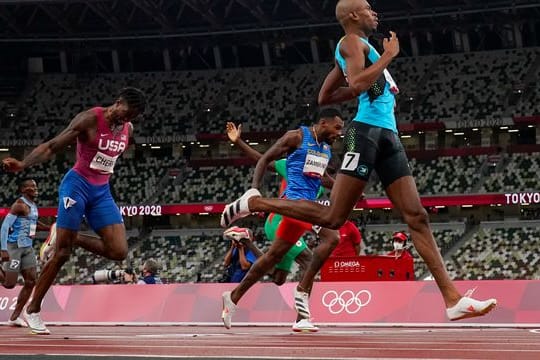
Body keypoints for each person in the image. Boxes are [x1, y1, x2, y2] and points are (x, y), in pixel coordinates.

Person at [221, 0, 497, 322]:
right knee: (334, 219)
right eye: (368, 8)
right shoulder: (350, 42)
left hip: (388, 136)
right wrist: (390, 55)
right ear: (353, 16)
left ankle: (453, 299)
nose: (374, 12)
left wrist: (358, 78)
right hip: (364, 132)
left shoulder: (355, 48)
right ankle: (256, 204)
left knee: (417, 216)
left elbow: (325, 97)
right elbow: (358, 84)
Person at [2, 87, 146, 334]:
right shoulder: (89, 119)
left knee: (119, 250)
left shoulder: (127, 129)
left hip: (101, 192)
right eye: (125, 114)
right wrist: (24, 164)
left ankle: (68, 234)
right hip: (76, 186)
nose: (125, 120)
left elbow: (108, 157)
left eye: (131, 117)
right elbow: (52, 146)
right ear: (117, 101)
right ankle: (33, 310)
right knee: (62, 253)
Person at [221, 109, 344, 332]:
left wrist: (347, 189)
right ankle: (302, 306)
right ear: (323, 122)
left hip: (305, 212)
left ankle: (233, 296)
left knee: (272, 259)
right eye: (337, 127)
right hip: (293, 206)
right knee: (332, 235)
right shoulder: (296, 137)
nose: (340, 133)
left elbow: (323, 178)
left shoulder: (325, 148)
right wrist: (253, 189)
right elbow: (265, 159)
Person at [226, 122, 313, 286]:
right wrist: (238, 142)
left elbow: (335, 185)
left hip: (295, 223)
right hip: (280, 221)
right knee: (309, 261)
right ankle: (303, 310)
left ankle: (246, 240)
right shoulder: (291, 166)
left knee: (278, 278)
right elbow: (261, 159)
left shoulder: (320, 177)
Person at [0, 178, 51, 327]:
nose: (35, 188)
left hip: (27, 248)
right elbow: (5, 227)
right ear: (23, 190)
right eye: (31, 187)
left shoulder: (33, 206)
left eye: (35, 186)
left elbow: (33, 225)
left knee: (31, 281)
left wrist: (50, 228)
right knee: (9, 284)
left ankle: (14, 317)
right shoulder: (19, 205)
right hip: (14, 246)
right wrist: (3, 249)